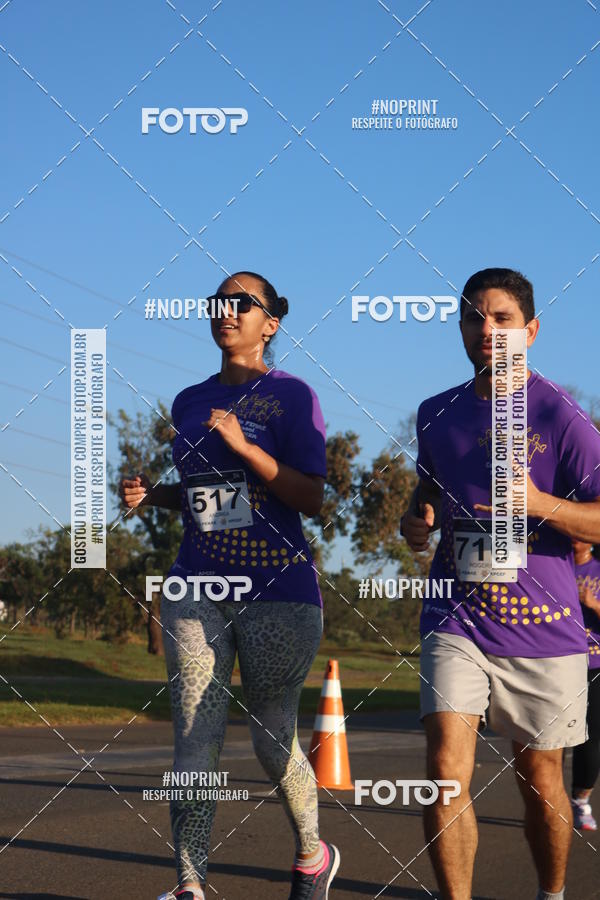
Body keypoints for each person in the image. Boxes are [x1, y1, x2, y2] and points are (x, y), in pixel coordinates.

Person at [120, 271, 339, 900]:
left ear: (270, 323)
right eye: (219, 301)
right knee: (194, 734)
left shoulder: (294, 397)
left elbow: (312, 497)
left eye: (242, 303)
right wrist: (152, 496)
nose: (227, 311)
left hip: (277, 586)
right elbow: (205, 501)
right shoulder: (189, 400)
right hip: (196, 582)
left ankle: (312, 854)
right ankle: (190, 885)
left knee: (273, 734)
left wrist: (245, 448)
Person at [400, 268, 600, 900]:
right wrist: (418, 516)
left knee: (539, 777)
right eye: (473, 318)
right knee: (444, 771)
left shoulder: (562, 415)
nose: (486, 330)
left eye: (502, 318)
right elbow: (429, 486)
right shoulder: (437, 414)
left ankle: (552, 894)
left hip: (544, 632)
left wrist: (540, 502)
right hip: (455, 616)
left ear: (531, 331)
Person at [571, 539, 600, 831]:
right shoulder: (556, 567)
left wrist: (592, 604)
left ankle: (581, 801)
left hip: (596, 664)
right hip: (557, 660)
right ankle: (547, 800)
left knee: (591, 738)